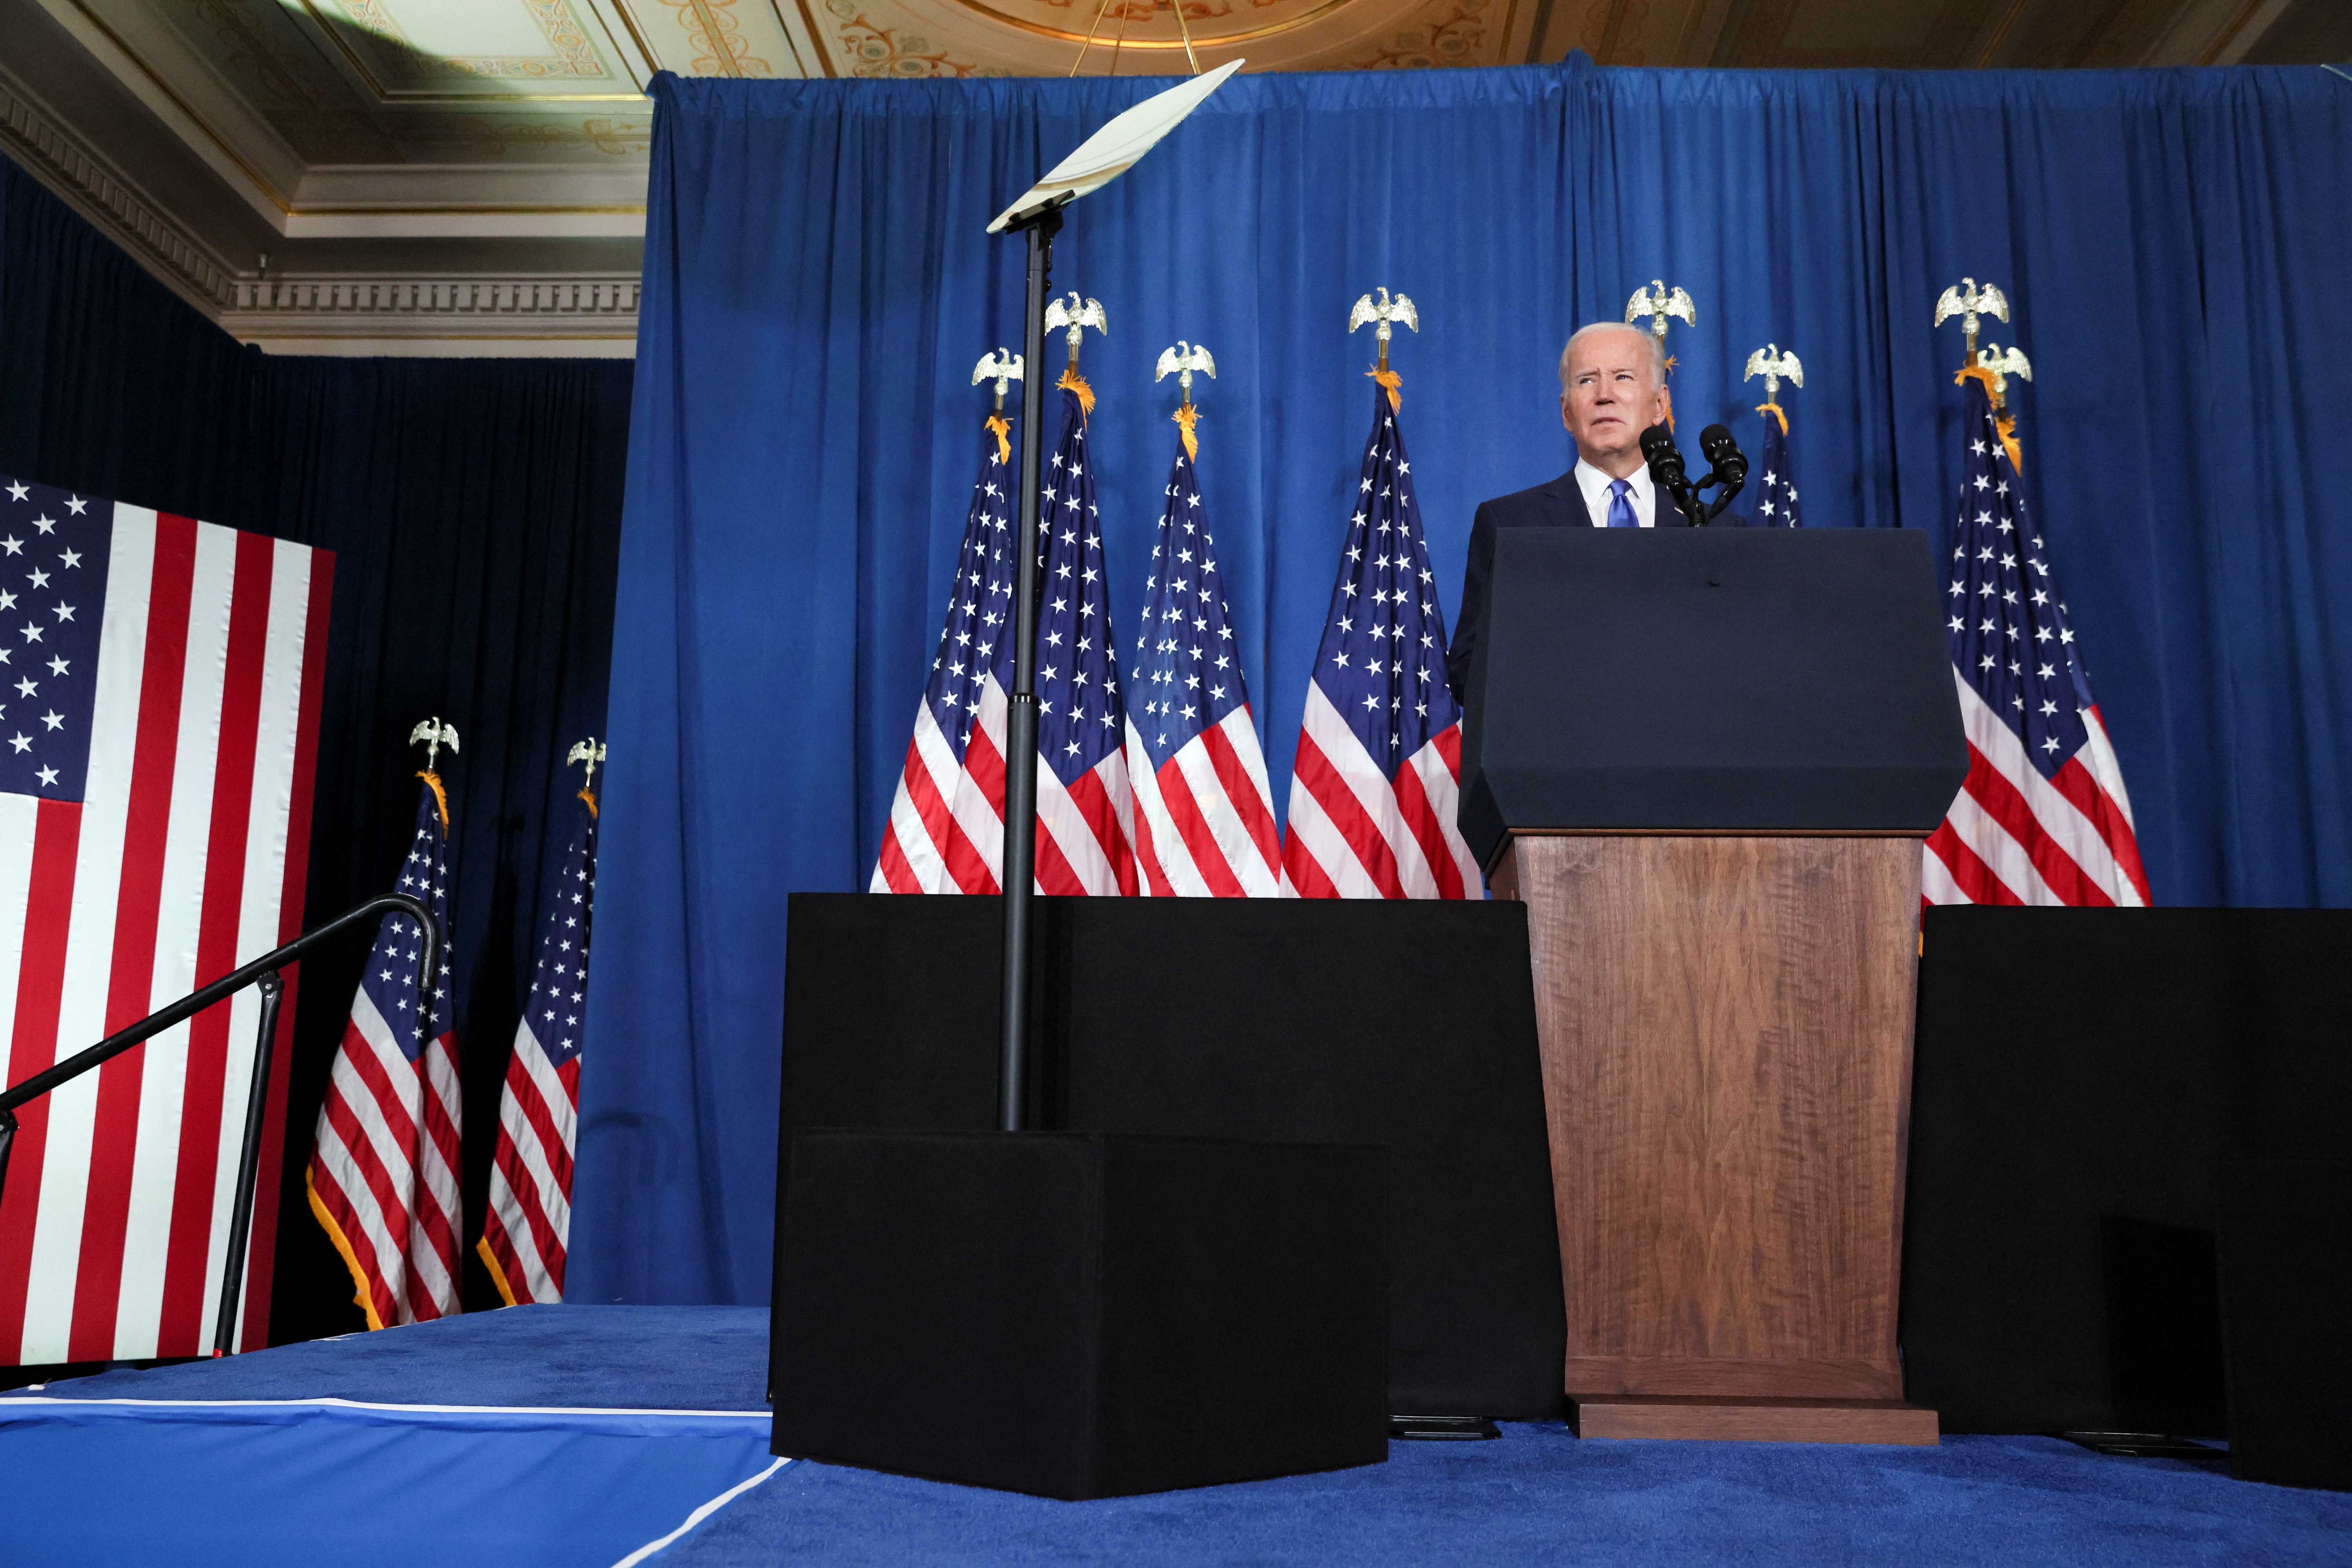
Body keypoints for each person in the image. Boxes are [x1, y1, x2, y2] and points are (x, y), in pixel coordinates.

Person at [1445, 321, 1746, 698]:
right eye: (1587, 381)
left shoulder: (1716, 527)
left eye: (1623, 377)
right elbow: (1468, 671)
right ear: (1567, 412)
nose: (1605, 395)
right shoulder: (1510, 524)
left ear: (1660, 404)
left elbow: (1741, 665)